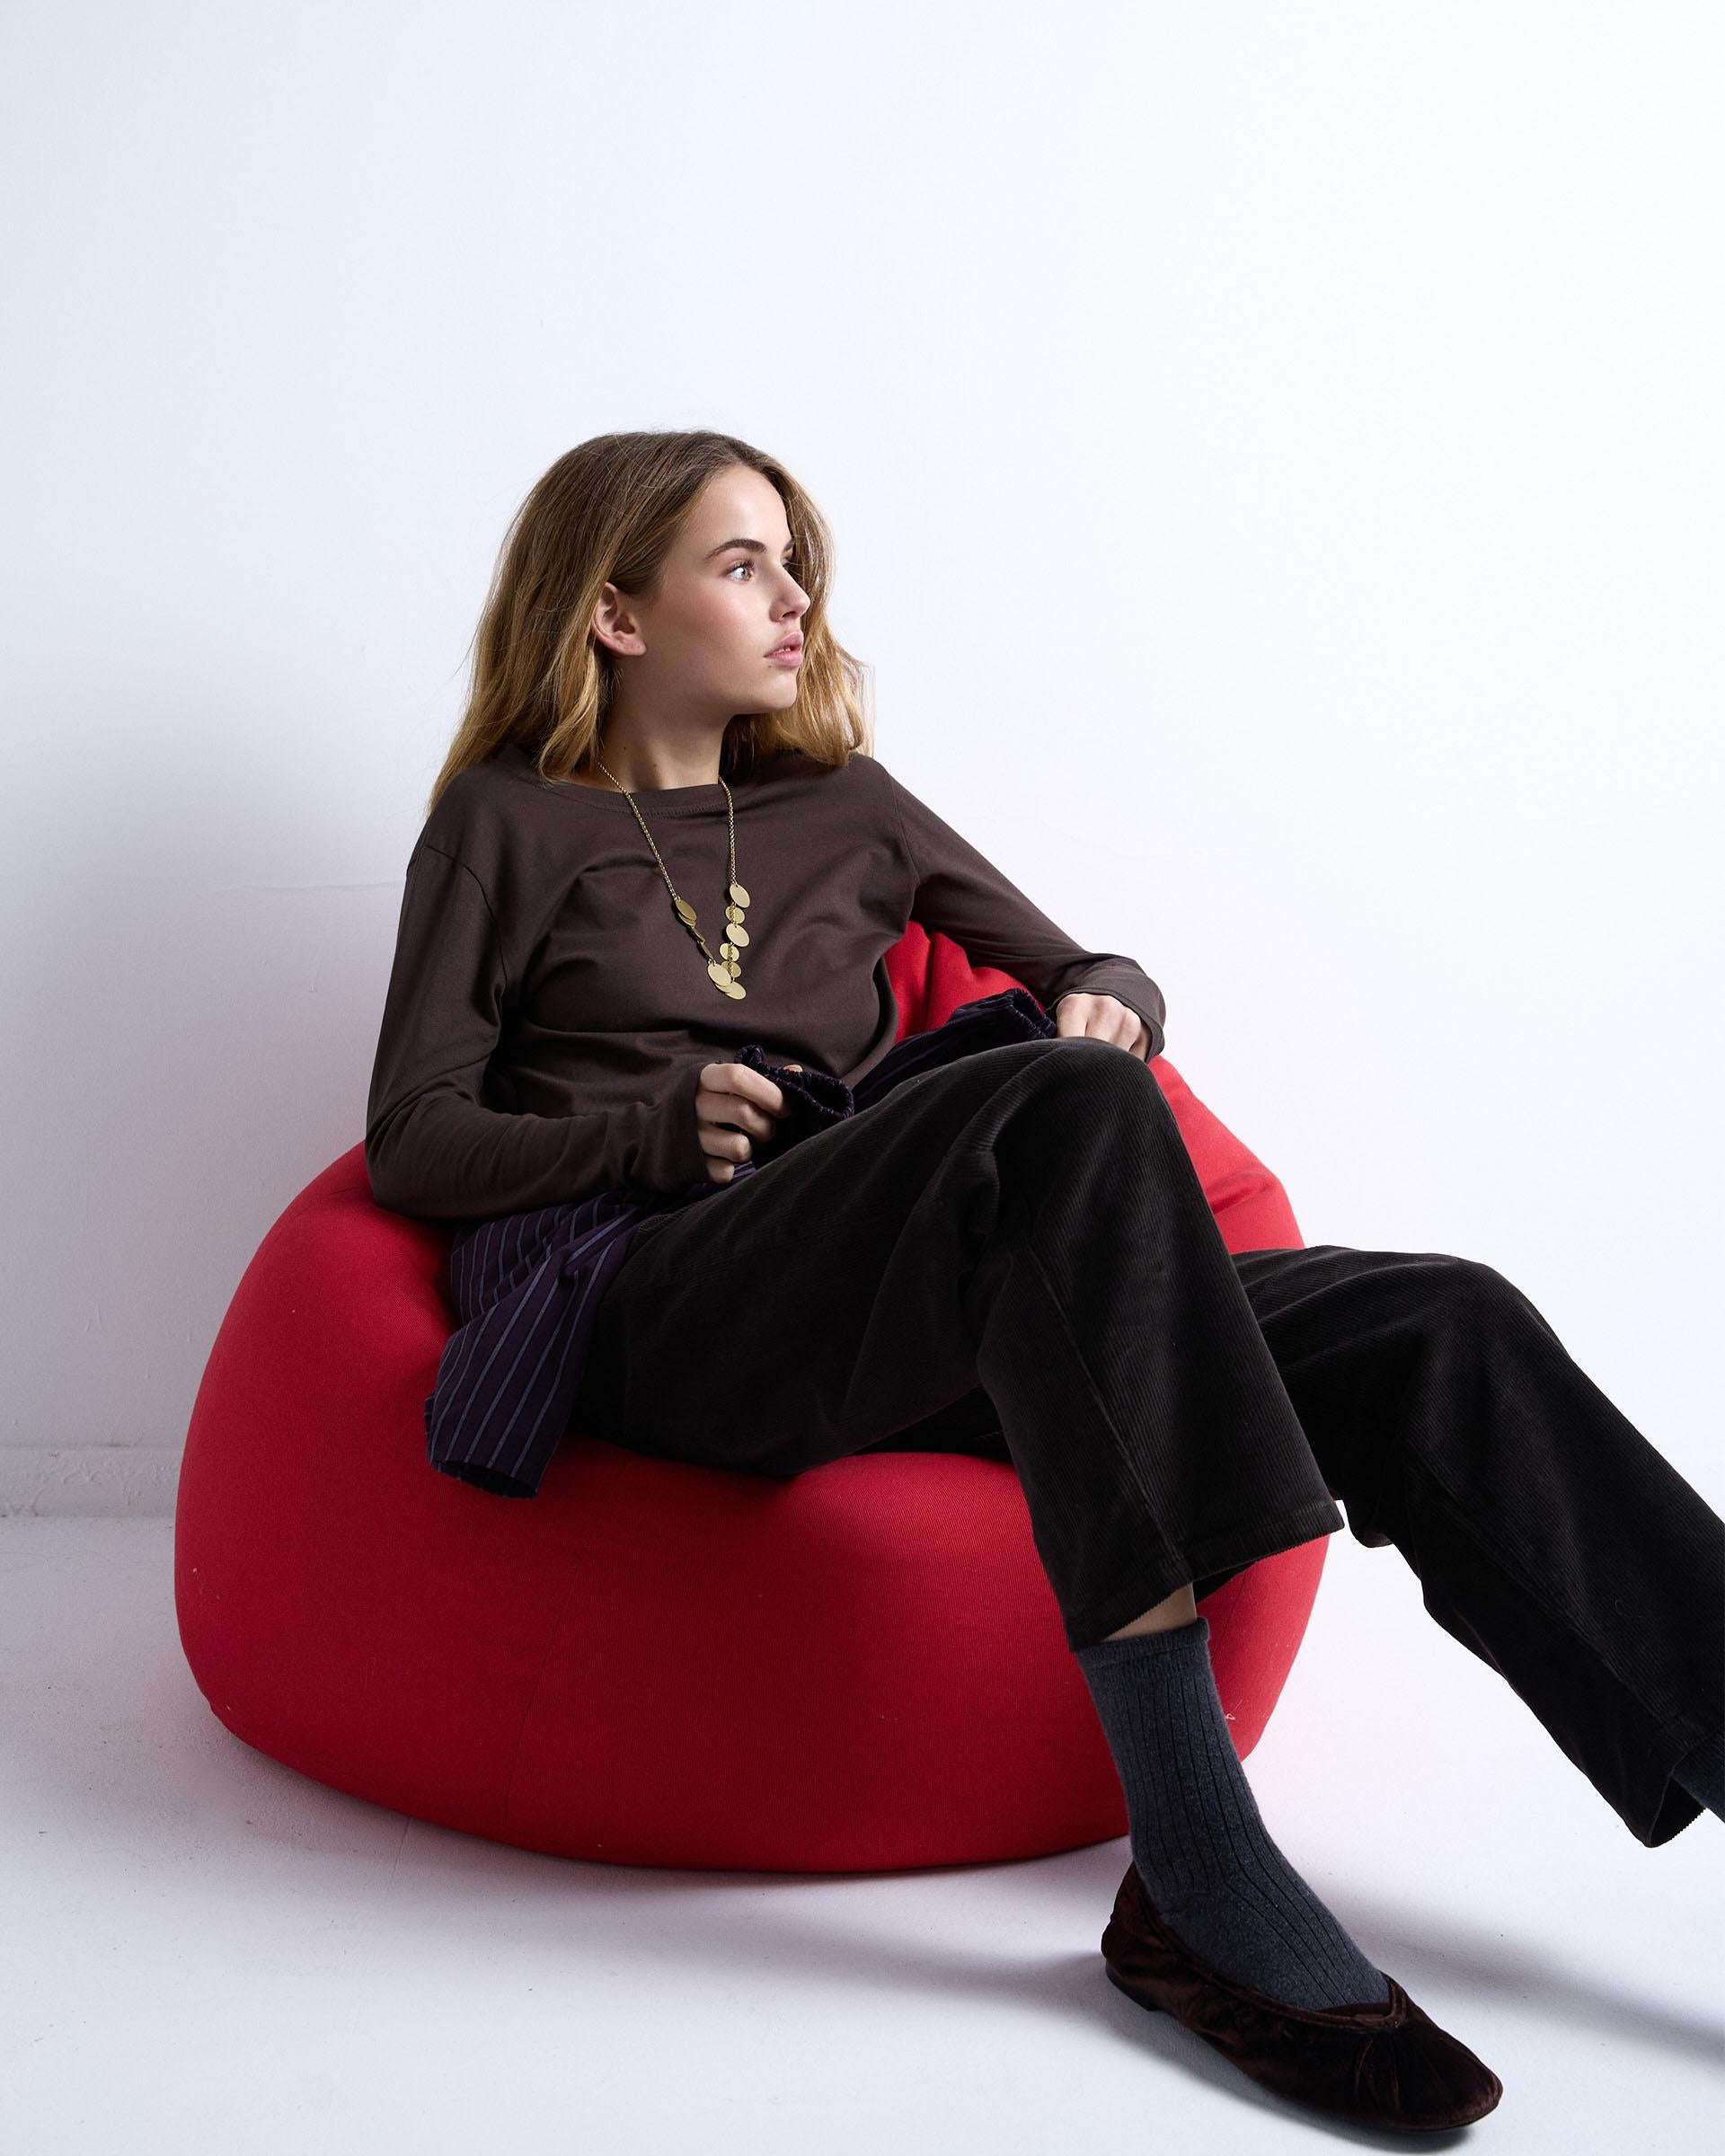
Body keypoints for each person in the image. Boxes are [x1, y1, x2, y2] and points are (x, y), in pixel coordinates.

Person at [364, 429, 1722, 2134]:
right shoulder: (503, 824)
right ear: (615, 613)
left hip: (901, 1287)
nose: (795, 602)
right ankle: (1198, 1873)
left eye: (798, 565)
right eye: (742, 565)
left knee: (1440, 1323)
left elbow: (1095, 965)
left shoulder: (849, 807)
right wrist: (643, 1129)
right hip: (663, 1294)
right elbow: (411, 1139)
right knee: (1055, 1116)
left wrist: (1112, 1009)